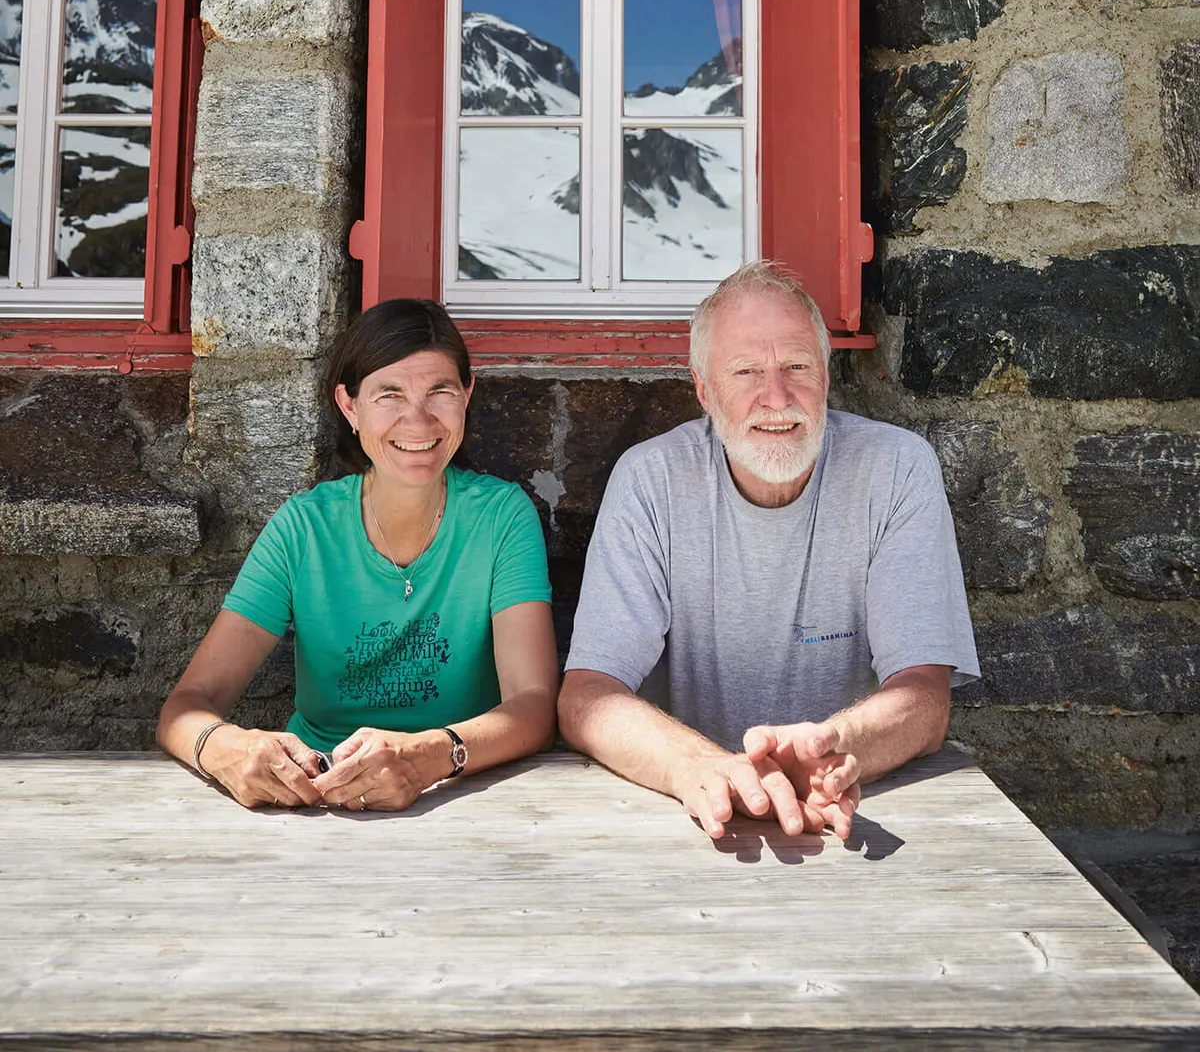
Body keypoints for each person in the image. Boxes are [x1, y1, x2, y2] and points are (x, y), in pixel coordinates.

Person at [558, 261, 979, 843]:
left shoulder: (897, 469)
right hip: (687, 814)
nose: (776, 397)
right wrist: (701, 767)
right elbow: (588, 696)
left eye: (797, 367)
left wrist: (824, 752)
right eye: (747, 371)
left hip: (848, 804)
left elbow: (923, 697)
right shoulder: (650, 480)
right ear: (704, 390)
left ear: (827, 377)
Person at [158, 298, 558, 811]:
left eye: (440, 390)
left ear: (467, 395)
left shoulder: (501, 516)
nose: (417, 419)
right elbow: (185, 708)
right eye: (389, 393)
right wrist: (231, 750)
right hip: (314, 798)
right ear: (349, 406)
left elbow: (534, 708)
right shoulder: (304, 528)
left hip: (462, 793)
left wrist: (428, 755)